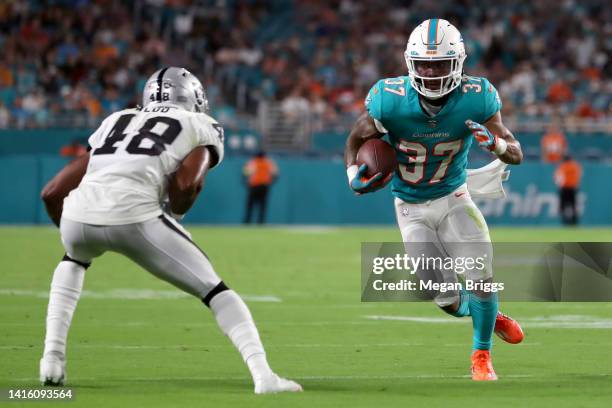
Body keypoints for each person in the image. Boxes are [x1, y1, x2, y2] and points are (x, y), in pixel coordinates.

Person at [39, 67, 302, 394]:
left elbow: (51, 192)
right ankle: (264, 376)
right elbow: (187, 183)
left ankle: (51, 359)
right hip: (135, 213)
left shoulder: (117, 119)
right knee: (215, 290)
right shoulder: (199, 123)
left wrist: (71, 230)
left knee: (73, 260)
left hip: (78, 214)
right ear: (194, 98)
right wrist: (176, 214)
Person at [344, 19, 525, 381]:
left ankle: (481, 354)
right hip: (409, 205)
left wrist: (498, 146)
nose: (430, 71)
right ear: (410, 62)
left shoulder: (478, 95)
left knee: (482, 281)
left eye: (440, 63)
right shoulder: (387, 99)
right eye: (424, 63)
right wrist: (353, 175)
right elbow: (354, 140)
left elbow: (516, 153)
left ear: (457, 62)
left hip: (454, 196)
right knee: (442, 296)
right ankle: (487, 315)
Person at [243, 151, 278, 224]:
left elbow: (246, 173)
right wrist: (271, 181)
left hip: (254, 186)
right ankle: (261, 222)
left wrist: (246, 182)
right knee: (262, 206)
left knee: (250, 205)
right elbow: (275, 173)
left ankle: (247, 222)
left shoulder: (253, 162)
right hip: (264, 186)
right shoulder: (268, 162)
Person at [554, 154, 582, 225]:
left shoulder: (562, 166)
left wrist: (559, 186)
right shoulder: (575, 166)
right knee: (573, 206)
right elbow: (579, 176)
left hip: (565, 188)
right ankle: (574, 222)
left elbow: (558, 178)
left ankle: (565, 221)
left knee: (563, 206)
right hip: (573, 188)